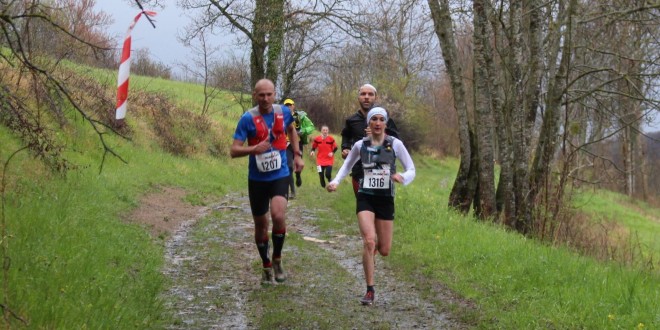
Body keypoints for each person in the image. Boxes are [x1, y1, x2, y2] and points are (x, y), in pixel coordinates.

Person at [327, 107, 415, 306]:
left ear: (385, 123)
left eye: (380, 119)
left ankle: (372, 252)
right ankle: (369, 289)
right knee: (368, 240)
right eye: (373, 119)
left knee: (384, 249)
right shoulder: (360, 144)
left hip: (385, 199)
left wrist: (403, 177)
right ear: (368, 123)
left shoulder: (395, 144)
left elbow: (412, 169)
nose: (377, 123)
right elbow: (347, 166)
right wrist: (335, 182)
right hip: (365, 196)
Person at [230, 79, 304, 284]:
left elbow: (292, 131)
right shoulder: (247, 118)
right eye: (261, 95)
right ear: (255, 95)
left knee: (278, 215)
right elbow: (234, 150)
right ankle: (266, 264)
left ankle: (278, 259)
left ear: (275, 94)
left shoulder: (284, 112)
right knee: (261, 226)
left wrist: (297, 155)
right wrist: (253, 149)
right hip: (257, 179)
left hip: (279, 174)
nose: (265, 99)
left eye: (269, 94)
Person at [340, 84, 400, 196]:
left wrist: (380, 134)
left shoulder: (384, 118)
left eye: (370, 94)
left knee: (381, 210)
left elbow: (396, 140)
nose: (366, 97)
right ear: (358, 97)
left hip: (382, 171)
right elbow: (346, 135)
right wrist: (346, 148)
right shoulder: (351, 120)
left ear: (376, 97)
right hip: (359, 171)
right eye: (363, 94)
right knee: (363, 206)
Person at [283, 98, 314, 187]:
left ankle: (298, 176)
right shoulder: (281, 116)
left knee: (298, 166)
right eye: (286, 106)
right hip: (287, 144)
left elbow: (311, 127)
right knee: (289, 166)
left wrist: (302, 131)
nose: (288, 107)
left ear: (293, 106)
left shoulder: (300, 116)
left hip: (298, 143)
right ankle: (292, 190)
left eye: (290, 105)